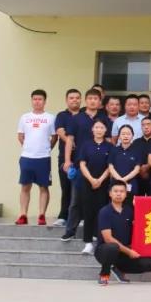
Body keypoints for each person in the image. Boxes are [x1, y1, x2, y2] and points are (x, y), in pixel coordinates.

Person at [62, 88, 108, 241]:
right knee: (76, 200)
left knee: (100, 202)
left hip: (101, 167)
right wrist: (67, 160)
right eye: (90, 98)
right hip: (80, 165)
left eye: (96, 99)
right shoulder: (76, 118)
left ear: (100, 101)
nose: (93, 101)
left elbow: (109, 141)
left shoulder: (104, 118)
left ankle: (97, 232)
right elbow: (69, 140)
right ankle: (70, 230)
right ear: (85, 100)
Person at [94, 181, 151, 285]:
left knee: (150, 263)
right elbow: (108, 239)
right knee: (112, 247)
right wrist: (129, 252)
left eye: (122, 191)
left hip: (123, 252)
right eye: (116, 191)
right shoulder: (105, 212)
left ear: (126, 194)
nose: (119, 194)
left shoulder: (129, 211)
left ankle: (118, 269)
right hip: (105, 251)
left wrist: (139, 207)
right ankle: (104, 274)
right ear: (110, 193)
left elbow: (141, 226)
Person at [16, 89, 56, 226]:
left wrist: (47, 148)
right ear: (31, 100)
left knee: (43, 187)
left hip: (43, 158)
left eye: (40, 99)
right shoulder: (24, 117)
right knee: (25, 186)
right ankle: (23, 214)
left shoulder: (50, 118)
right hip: (27, 157)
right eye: (35, 99)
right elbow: (20, 136)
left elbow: (54, 137)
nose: (37, 102)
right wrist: (29, 148)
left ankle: (41, 215)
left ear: (44, 101)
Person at [77, 119, 113, 255]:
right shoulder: (86, 145)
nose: (99, 130)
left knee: (102, 212)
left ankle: (100, 241)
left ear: (105, 130)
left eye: (101, 127)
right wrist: (92, 179)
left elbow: (110, 166)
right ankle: (87, 243)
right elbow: (82, 164)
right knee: (88, 212)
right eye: (96, 127)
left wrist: (100, 180)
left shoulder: (109, 146)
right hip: (88, 183)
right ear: (92, 129)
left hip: (103, 184)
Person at [53, 89, 81, 227]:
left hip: (81, 158)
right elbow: (60, 131)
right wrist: (71, 142)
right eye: (71, 98)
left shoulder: (84, 115)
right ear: (66, 100)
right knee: (66, 187)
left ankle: (80, 217)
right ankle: (63, 216)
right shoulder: (61, 115)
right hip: (65, 157)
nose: (74, 100)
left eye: (77, 98)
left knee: (81, 188)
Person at [108, 125, 143, 203]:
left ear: (132, 136)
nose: (125, 136)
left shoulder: (137, 151)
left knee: (130, 207)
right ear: (119, 136)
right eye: (123, 134)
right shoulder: (114, 150)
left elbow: (137, 169)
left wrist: (123, 180)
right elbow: (111, 167)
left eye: (128, 134)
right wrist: (120, 181)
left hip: (131, 185)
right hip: (115, 185)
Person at [133, 116, 151, 196]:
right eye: (143, 125)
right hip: (138, 177)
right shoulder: (136, 142)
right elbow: (133, 158)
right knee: (138, 201)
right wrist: (140, 169)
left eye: (148, 124)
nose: (146, 127)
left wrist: (147, 167)